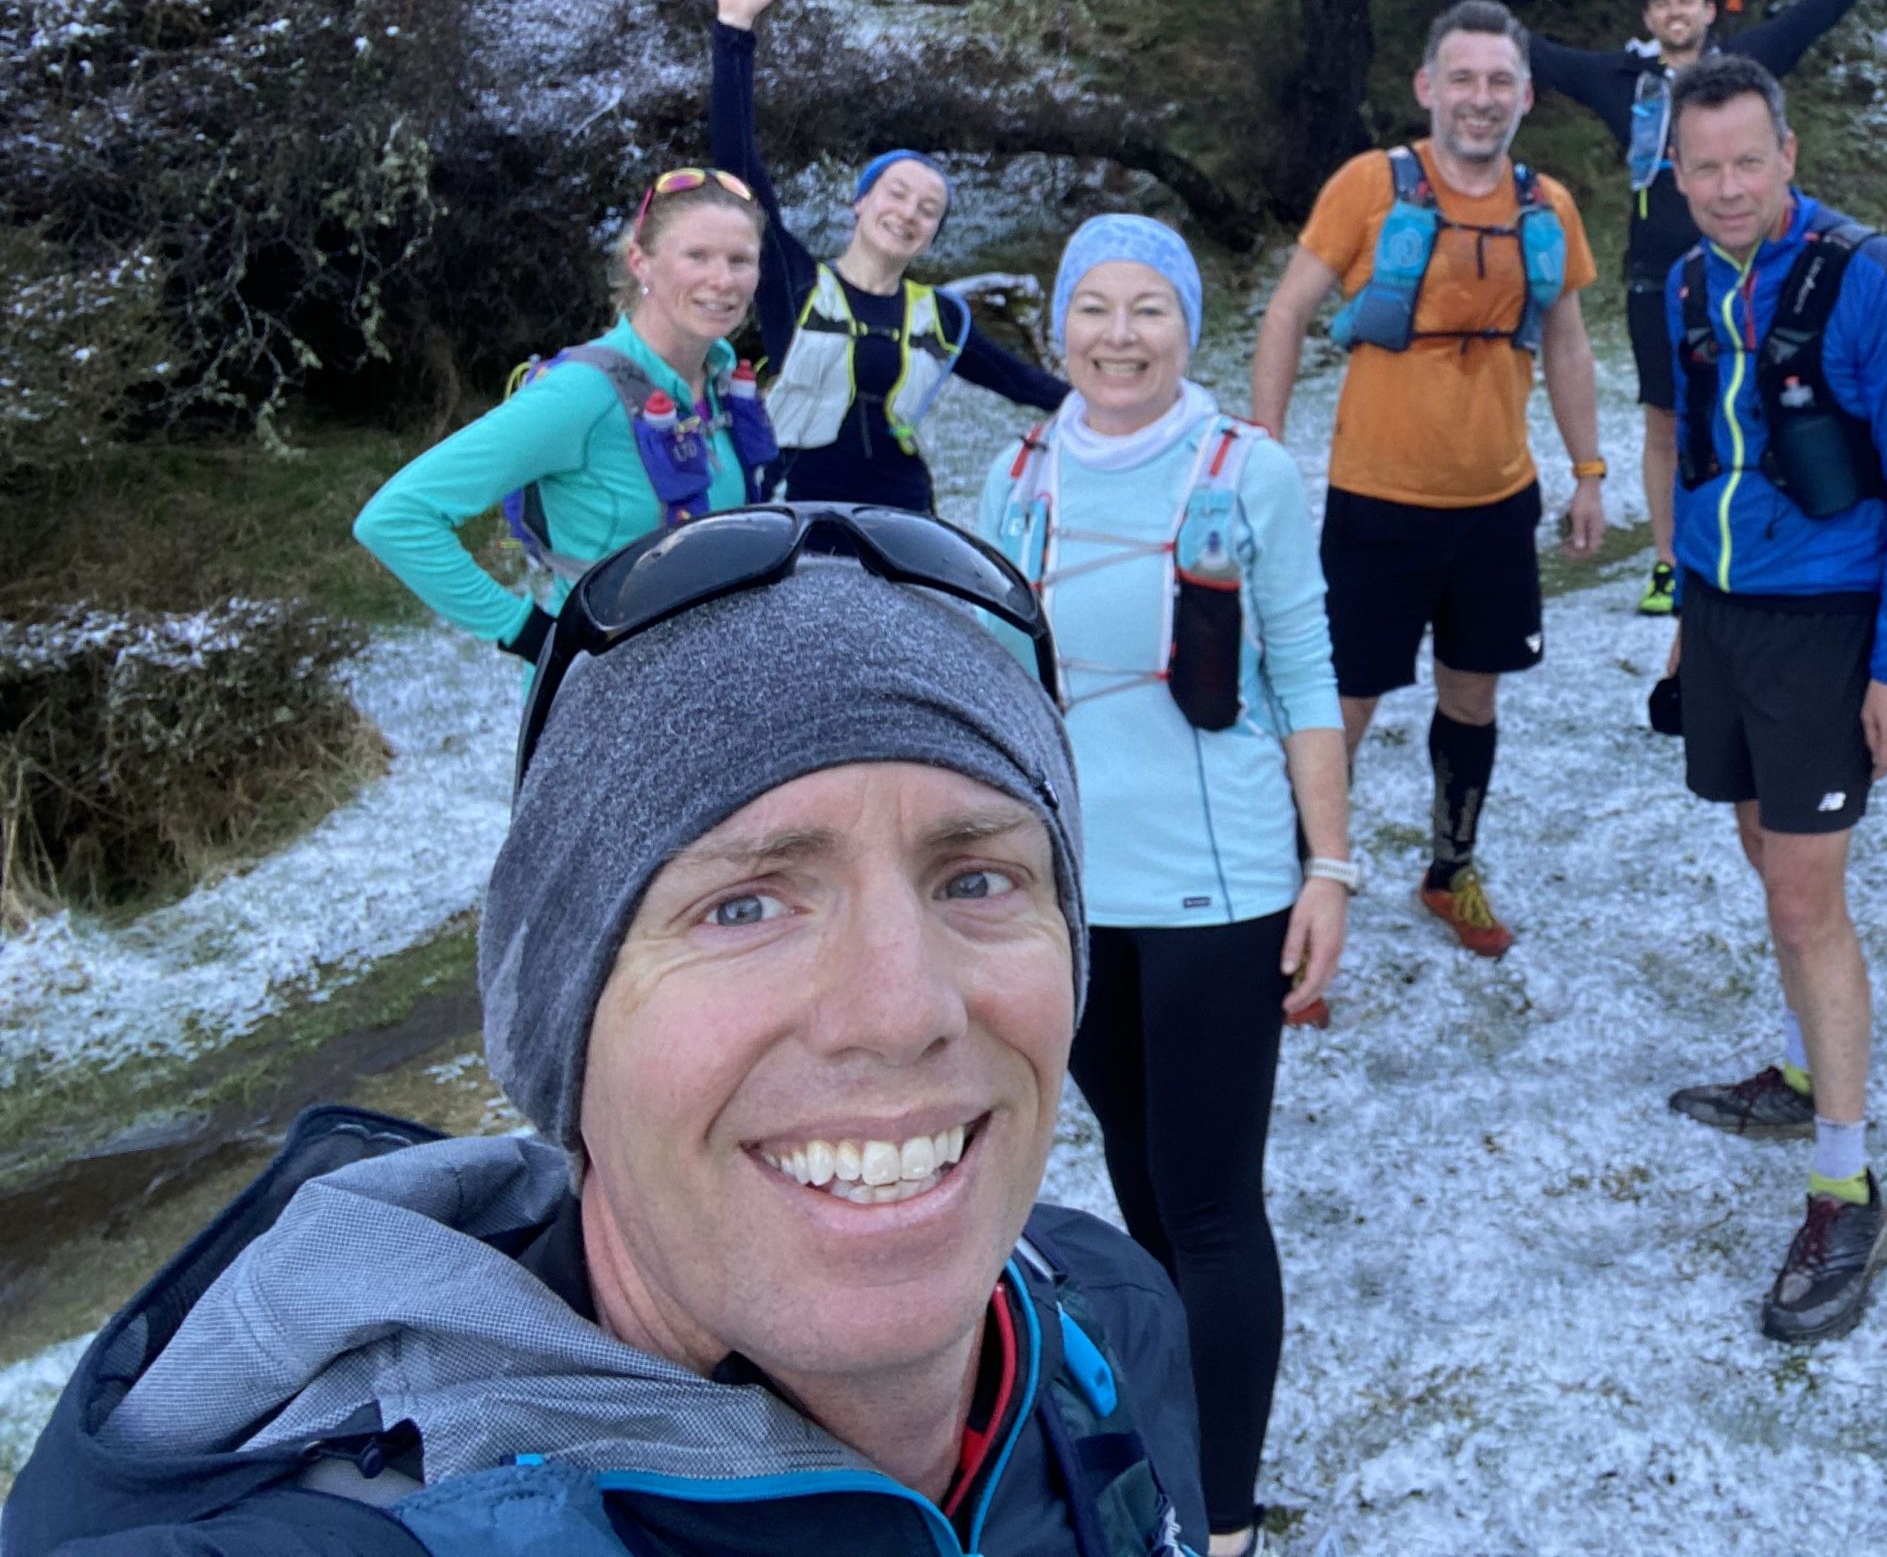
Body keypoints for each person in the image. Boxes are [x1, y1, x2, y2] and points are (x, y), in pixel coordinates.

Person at [6, 505, 1207, 1553]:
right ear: (566, 1027)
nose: (900, 1011)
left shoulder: (1108, 1320)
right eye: (745, 904)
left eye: (977, 880)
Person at [979, 214, 1350, 1556]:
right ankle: (1178, 1453)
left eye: (1151, 309)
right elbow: (980, 680)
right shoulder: (1019, 473)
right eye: (1096, 307)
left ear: (1189, 327)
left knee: (1207, 1202)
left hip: (1217, 888)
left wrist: (1331, 867)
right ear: (1059, 325)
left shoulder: (1243, 469)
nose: (1120, 335)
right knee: (1140, 1193)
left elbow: (1305, 673)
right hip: (1066, 898)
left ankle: (1229, 1524)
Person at [1395, 0, 1887, 620]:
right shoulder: (1620, 80)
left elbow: (1826, 3)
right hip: (1659, 278)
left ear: (1707, 7)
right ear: (1649, 16)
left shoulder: (1747, 68)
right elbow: (1532, 52)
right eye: (1660, 1)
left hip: (1756, 270)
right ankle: (1670, 561)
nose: (1674, 11)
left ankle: (1761, 537)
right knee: (1668, 421)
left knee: (1762, 404)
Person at [1652, 56, 1887, 1343]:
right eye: (1702, 166)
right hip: (1723, 613)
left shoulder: (1872, 278)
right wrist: (1677, 617)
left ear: (1789, 151)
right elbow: (1687, 447)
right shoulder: (1680, 281)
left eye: (1747, 161)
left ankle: (1847, 1179)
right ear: (1675, 172)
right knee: (1758, 842)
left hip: (1832, 623)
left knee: (1801, 893)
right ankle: (1793, 1067)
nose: (1726, 187)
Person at [1248, 0, 1604, 957]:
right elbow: (1285, 315)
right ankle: (1297, 894)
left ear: (1525, 95)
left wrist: (1588, 470)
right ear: (1426, 87)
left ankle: (1450, 871)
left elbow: (1567, 342)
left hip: (1495, 504)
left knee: (1472, 698)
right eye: (1462, 78)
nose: (1479, 100)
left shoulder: (1547, 207)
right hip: (1376, 505)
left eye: (1499, 82)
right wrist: (1264, 444)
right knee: (1344, 709)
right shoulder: (1371, 186)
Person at [354, 167, 776, 663]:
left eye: (740, 260)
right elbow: (397, 518)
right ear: (640, 262)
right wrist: (532, 635)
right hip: (609, 692)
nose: (722, 280)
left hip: (715, 670)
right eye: (697, 256)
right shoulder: (584, 393)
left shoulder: (725, 381)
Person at [708, 0, 1066, 510]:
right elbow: (737, 164)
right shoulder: (794, 281)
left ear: (931, 235)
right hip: (793, 514)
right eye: (895, 194)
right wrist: (734, 29)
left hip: (903, 519)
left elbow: (1028, 386)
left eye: (928, 211)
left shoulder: (943, 317)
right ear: (861, 203)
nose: (908, 214)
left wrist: (1139, 406)